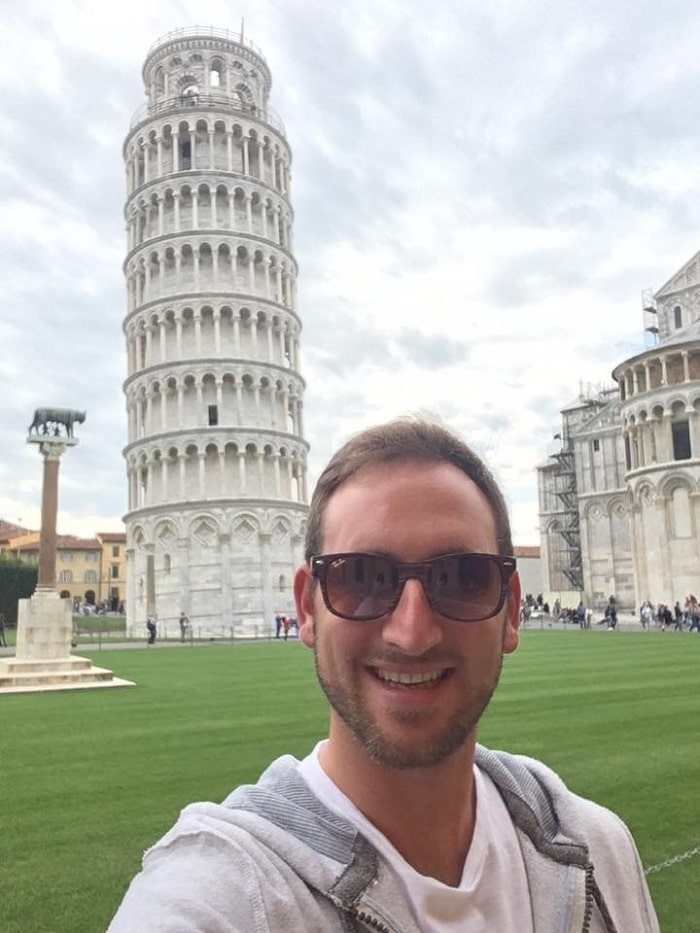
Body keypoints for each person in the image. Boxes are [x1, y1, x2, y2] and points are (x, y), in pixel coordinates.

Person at [109, 417, 659, 932]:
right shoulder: (224, 894)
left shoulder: (597, 850)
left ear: (511, 610)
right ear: (307, 607)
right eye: (362, 577)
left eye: (461, 578)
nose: (411, 633)